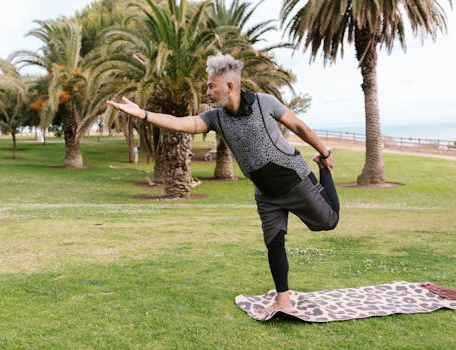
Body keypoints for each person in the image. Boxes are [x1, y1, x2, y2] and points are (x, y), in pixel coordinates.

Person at [107, 53, 339, 316]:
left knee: (328, 221)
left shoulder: (265, 103)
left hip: (293, 179)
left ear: (229, 86)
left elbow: (297, 126)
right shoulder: (216, 117)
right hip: (266, 194)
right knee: (274, 243)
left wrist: (325, 152)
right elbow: (184, 124)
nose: (206, 90)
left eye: (210, 85)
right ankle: (283, 300)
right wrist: (144, 114)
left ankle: (323, 169)